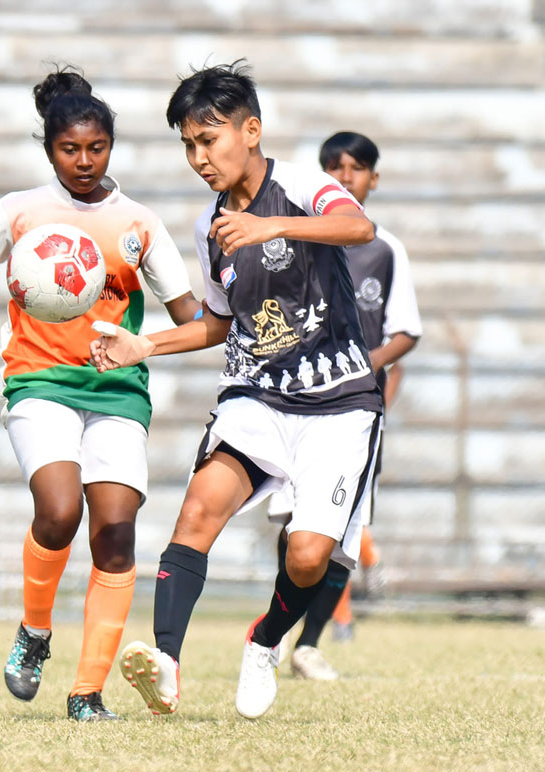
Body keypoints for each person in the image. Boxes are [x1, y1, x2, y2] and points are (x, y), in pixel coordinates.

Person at [90, 61, 383, 720]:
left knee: (307, 558)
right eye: (189, 144)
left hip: (338, 401)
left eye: (210, 139)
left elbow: (357, 228)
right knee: (197, 512)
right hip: (256, 395)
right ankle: (165, 665)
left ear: (251, 131)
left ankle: (265, 641)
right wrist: (146, 346)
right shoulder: (209, 225)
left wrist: (273, 226)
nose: (199, 157)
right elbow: (219, 325)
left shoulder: (304, 185)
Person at [0, 67, 200, 721]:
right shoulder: (20, 211)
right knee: (59, 512)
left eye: (96, 148)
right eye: (70, 149)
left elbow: (189, 316)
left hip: (118, 392)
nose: (84, 161)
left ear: (111, 147)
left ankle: (86, 693)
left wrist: (155, 337)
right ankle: (34, 633)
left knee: (117, 536)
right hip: (39, 384)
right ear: (49, 149)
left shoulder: (138, 223)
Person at [282, 131, 422, 680]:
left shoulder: (386, 249)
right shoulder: (293, 240)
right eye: (334, 167)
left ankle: (308, 643)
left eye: (356, 168)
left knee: (341, 528)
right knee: (292, 525)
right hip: (292, 401)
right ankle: (278, 628)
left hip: (355, 410)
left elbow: (405, 331)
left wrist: (367, 370)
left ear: (373, 178)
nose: (345, 177)